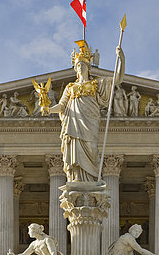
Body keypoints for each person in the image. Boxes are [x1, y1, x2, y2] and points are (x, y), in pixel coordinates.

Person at [48, 40, 125, 182]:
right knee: (75, 154)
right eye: (78, 65)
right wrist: (48, 109)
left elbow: (117, 79)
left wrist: (121, 58)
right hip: (74, 124)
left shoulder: (96, 84)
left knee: (92, 149)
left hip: (90, 122)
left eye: (83, 65)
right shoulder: (70, 87)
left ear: (88, 68)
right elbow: (62, 105)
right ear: (75, 69)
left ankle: (90, 181)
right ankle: (77, 180)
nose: (80, 67)